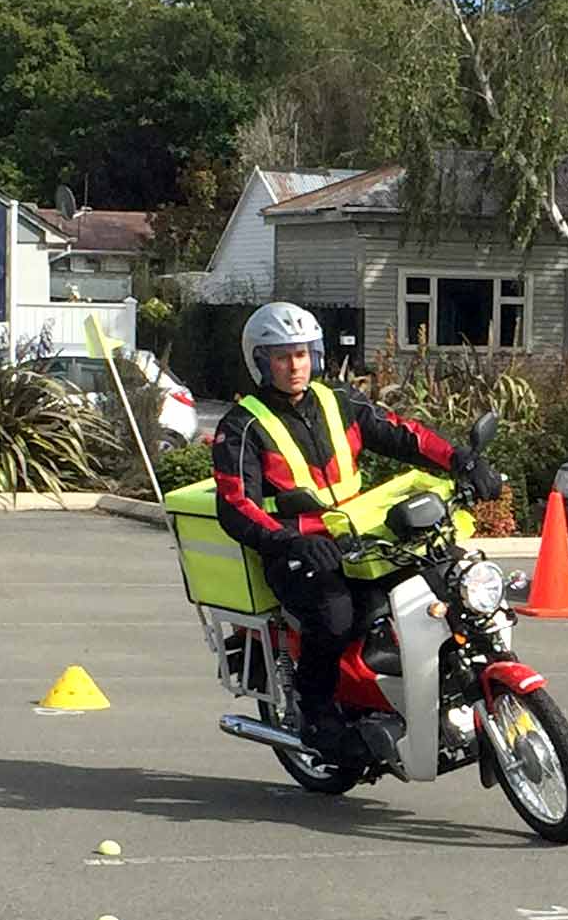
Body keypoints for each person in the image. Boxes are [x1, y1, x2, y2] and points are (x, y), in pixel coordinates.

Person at [211, 302, 502, 766]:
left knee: (449, 579)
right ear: (261, 362)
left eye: (303, 354)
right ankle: (318, 716)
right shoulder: (242, 425)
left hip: (359, 539)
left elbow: (402, 435)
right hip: (297, 549)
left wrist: (462, 461)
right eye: (282, 356)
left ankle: (447, 683)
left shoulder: (337, 401)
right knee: (337, 615)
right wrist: (290, 540)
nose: (294, 365)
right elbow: (234, 505)